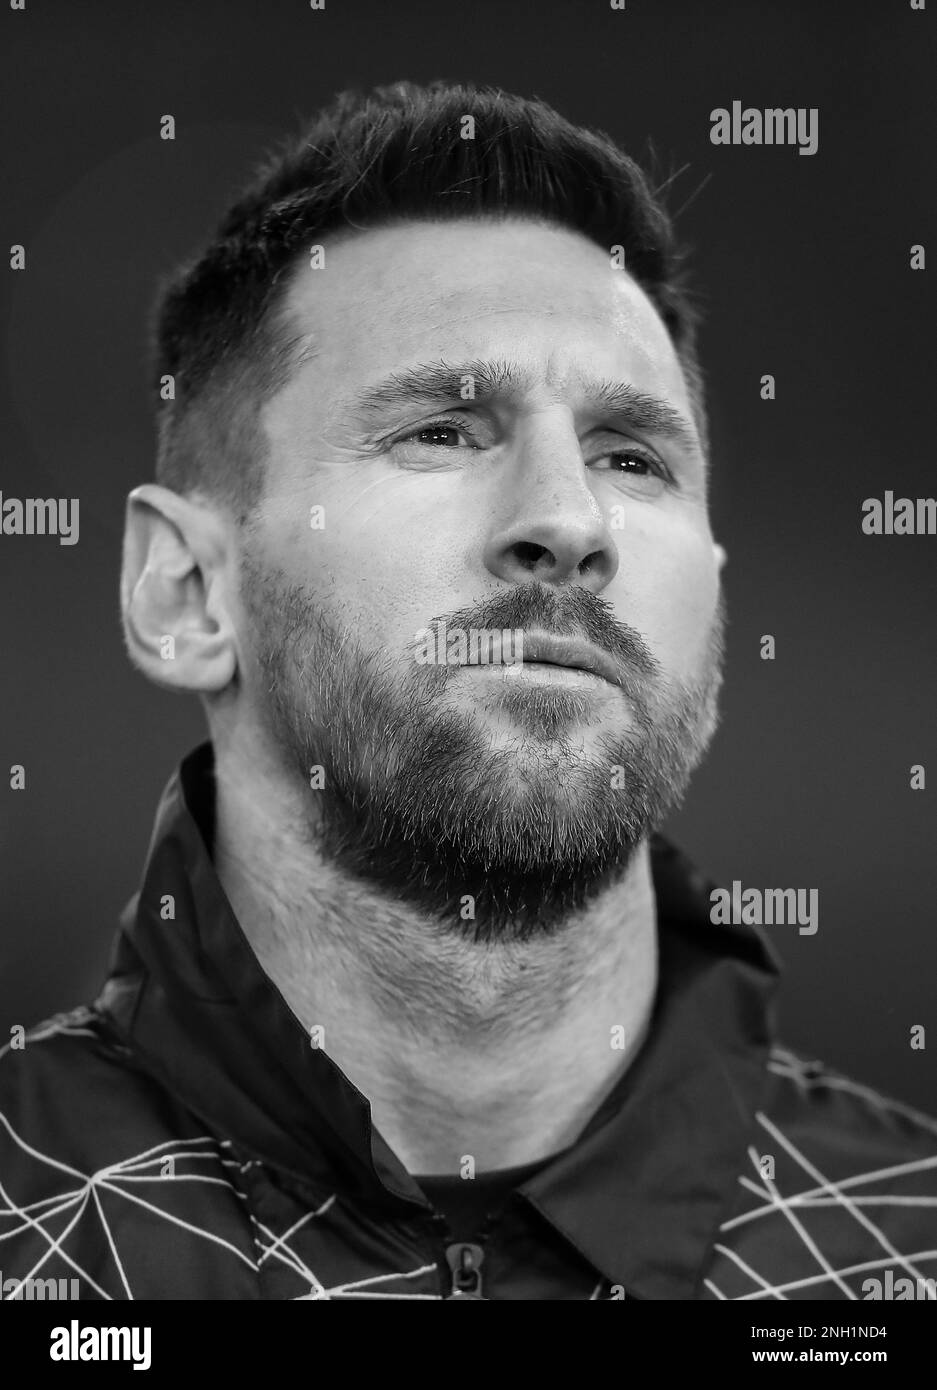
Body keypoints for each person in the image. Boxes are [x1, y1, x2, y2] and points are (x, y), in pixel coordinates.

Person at [2, 81, 934, 1302]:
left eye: (630, 457)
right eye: (441, 431)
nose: (567, 519)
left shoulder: (904, 1243)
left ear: (711, 591)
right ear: (185, 593)